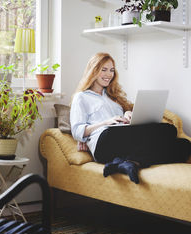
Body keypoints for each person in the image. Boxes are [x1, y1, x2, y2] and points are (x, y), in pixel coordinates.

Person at [70, 52, 191, 184]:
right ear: (93, 71)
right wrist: (105, 122)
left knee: (183, 145)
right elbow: (77, 131)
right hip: (105, 141)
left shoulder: (113, 96)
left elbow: (121, 121)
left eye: (111, 70)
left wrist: (127, 115)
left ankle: (129, 162)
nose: (109, 74)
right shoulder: (81, 97)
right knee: (167, 130)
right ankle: (126, 160)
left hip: (124, 141)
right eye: (103, 70)